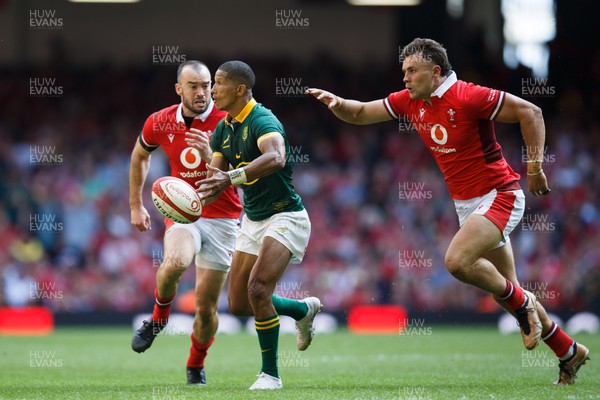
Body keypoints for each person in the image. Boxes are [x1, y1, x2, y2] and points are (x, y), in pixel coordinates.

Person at [307, 38, 590, 386]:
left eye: (412, 71)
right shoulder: (412, 101)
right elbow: (361, 112)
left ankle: (524, 307)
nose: (405, 78)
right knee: (511, 291)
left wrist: (535, 169)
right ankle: (568, 351)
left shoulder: (468, 95)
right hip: (467, 205)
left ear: (436, 71)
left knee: (457, 262)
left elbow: (531, 112)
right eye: (403, 72)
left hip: (500, 195)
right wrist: (337, 103)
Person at [193, 60, 321, 390]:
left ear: (240, 89)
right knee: (238, 304)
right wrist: (186, 204)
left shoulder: (263, 120)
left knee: (258, 290)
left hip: (286, 216)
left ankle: (270, 376)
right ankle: (301, 309)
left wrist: (232, 177)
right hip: (252, 219)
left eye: (217, 84)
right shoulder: (224, 128)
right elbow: (213, 180)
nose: (211, 90)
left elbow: (276, 157)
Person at [129, 60, 243, 385]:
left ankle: (195, 364)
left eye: (207, 85)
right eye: (193, 86)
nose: (202, 92)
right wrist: (136, 204)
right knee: (175, 261)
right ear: (179, 89)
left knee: (206, 309)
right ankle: (158, 319)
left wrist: (211, 156)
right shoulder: (160, 121)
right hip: (184, 213)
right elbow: (140, 155)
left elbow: (244, 175)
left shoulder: (230, 121)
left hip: (223, 219)